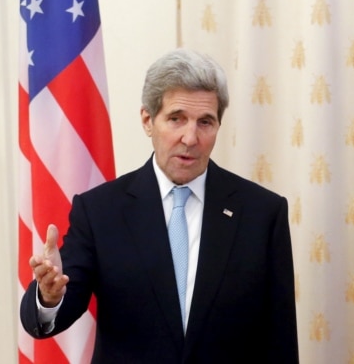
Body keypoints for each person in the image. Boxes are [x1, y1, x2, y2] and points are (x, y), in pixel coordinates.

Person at [20, 48, 299, 363]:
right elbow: (55, 314)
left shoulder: (262, 213)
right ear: (148, 120)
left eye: (205, 122)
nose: (190, 137)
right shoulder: (100, 211)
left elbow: (280, 339)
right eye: (176, 119)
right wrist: (49, 296)